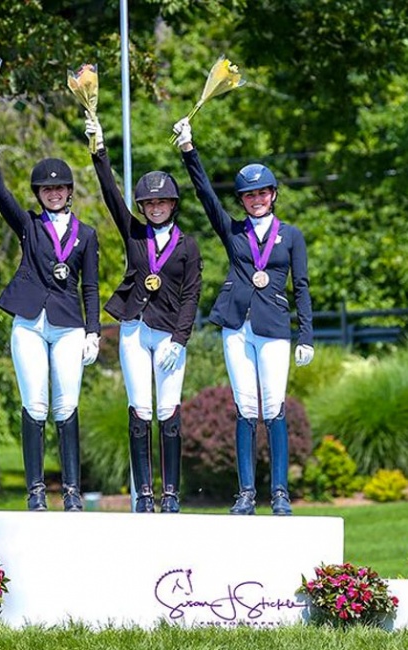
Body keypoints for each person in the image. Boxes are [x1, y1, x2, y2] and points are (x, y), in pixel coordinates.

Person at [172, 117, 314, 516]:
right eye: (249, 195)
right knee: (246, 406)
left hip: (273, 327)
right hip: (237, 326)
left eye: (262, 193)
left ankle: (281, 492)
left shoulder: (292, 236)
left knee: (274, 407)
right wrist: (189, 151)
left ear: (273, 195)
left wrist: (306, 335)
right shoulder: (233, 232)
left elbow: (301, 287)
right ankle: (247, 492)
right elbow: (204, 196)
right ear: (242, 199)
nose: (256, 199)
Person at [0, 117, 100, 512]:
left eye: (60, 187)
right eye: (47, 188)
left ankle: (71, 490)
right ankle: (34, 490)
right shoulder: (28, 225)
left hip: (68, 325)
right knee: (35, 404)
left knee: (66, 406)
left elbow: (91, 287)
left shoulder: (87, 234)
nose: (54, 193)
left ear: (69, 191)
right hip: (29, 322)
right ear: (39, 192)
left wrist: (94, 331)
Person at [84, 115, 202, 513]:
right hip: (134, 328)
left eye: (162, 202)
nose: (155, 208)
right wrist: (99, 151)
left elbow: (192, 296)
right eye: (149, 203)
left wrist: (181, 339)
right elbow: (111, 196)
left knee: (169, 411)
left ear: (172, 205)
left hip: (170, 334)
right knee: (140, 409)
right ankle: (144, 495)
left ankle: (171, 493)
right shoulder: (134, 232)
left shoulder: (188, 246)